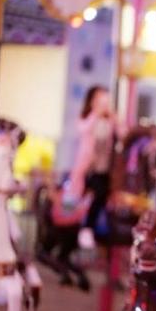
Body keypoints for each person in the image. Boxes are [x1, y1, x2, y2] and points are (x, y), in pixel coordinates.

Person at [65, 85, 122, 246]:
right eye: (101, 100)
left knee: (101, 197)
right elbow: (83, 130)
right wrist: (95, 113)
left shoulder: (110, 121)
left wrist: (115, 118)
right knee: (76, 200)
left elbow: (123, 134)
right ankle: (73, 229)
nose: (105, 104)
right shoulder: (87, 118)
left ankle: (88, 229)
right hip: (86, 168)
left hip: (104, 169)